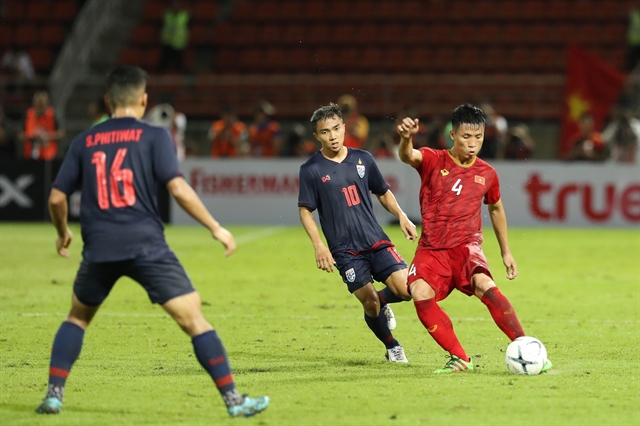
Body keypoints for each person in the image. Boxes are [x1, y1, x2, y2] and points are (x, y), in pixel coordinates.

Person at [34, 66, 269, 418]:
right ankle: (234, 401)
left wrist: (62, 232)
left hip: (99, 248)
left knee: (77, 318)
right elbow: (177, 188)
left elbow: (56, 198)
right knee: (195, 322)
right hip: (147, 246)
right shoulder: (155, 137)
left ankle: (53, 395)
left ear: (107, 101)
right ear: (143, 100)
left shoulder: (84, 141)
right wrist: (214, 227)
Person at [396, 104, 552, 374]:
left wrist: (506, 251)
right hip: (433, 249)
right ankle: (460, 357)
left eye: (478, 137)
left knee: (485, 284)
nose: (473, 143)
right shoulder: (434, 159)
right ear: (453, 134)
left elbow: (495, 208)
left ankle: (526, 347)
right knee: (419, 292)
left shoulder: (487, 173)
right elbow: (408, 156)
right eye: (466, 137)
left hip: (467, 247)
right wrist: (406, 138)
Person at [298, 103, 418, 363]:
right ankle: (392, 346)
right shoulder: (311, 170)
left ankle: (383, 301)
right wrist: (319, 246)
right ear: (317, 136)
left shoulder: (364, 158)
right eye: (325, 132)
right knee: (370, 304)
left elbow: (383, 191)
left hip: (375, 239)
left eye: (336, 129)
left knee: (407, 290)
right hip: (346, 251)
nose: (332, 136)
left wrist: (402, 216)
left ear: (344, 127)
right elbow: (305, 210)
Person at [21, 91, 65, 160]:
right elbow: (20, 135)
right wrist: (32, 137)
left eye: (42, 105)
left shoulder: (52, 114)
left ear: (47, 104)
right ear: (34, 104)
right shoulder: (28, 115)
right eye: (38, 105)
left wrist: (47, 136)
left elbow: (62, 134)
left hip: (49, 157)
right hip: (30, 156)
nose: (40, 108)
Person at [158, 0, 190, 72]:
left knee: (179, 64)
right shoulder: (167, 15)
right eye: (174, 4)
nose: (176, 6)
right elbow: (161, 26)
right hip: (167, 42)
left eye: (177, 4)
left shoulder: (185, 16)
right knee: (163, 63)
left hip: (179, 44)